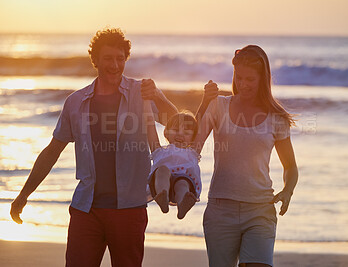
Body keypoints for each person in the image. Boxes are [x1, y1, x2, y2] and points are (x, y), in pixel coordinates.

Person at [10, 28, 177, 267]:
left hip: (129, 209)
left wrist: (159, 97)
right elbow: (52, 151)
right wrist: (24, 194)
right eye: (108, 58)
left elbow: (181, 128)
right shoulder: (75, 102)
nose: (115, 65)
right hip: (86, 210)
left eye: (120, 58)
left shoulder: (142, 94)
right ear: (95, 60)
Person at [194, 45, 299, 267]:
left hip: (260, 209)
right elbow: (193, 145)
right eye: (239, 78)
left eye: (250, 79)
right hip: (221, 210)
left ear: (264, 79)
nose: (243, 84)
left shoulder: (277, 118)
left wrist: (288, 190)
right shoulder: (218, 107)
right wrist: (204, 103)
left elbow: (290, 166)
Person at [143, 99, 201, 220]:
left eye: (186, 132)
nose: (180, 134)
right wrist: (146, 100)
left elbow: (203, 123)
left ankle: (182, 204)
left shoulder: (193, 152)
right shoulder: (158, 151)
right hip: (160, 184)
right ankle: (162, 195)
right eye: (175, 130)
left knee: (182, 183)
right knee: (162, 170)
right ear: (165, 133)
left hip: (185, 183)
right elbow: (149, 123)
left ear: (194, 138)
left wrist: (208, 99)